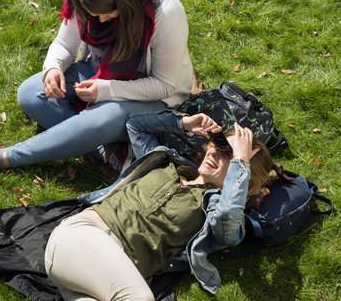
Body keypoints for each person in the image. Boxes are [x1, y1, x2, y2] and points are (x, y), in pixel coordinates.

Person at [0, 0, 193, 179]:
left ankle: (2, 157)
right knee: (31, 93)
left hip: (152, 99)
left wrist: (107, 91)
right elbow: (65, 44)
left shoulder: (165, 12)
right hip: (97, 76)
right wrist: (53, 68)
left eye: (104, 14)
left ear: (124, 1)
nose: (98, 20)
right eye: (92, 15)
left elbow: (164, 85)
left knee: (103, 118)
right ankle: (102, 148)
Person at [44, 123, 275, 300]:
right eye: (216, 144)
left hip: (93, 277)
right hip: (84, 233)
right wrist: (183, 123)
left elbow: (228, 215)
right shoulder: (167, 163)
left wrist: (241, 160)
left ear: (245, 176)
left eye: (228, 154)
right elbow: (135, 125)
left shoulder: (214, 209)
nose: (214, 152)